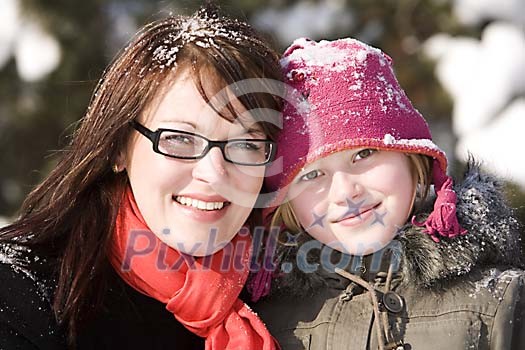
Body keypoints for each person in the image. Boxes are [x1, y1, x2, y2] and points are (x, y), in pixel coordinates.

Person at [0, 4, 283, 349]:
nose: (214, 173)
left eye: (244, 144)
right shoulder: (22, 298)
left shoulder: (282, 292)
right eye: (180, 139)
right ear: (119, 147)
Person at [251, 38, 525, 350]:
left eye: (364, 154)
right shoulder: (266, 321)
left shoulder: (498, 302)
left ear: (413, 157)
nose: (345, 192)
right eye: (312, 174)